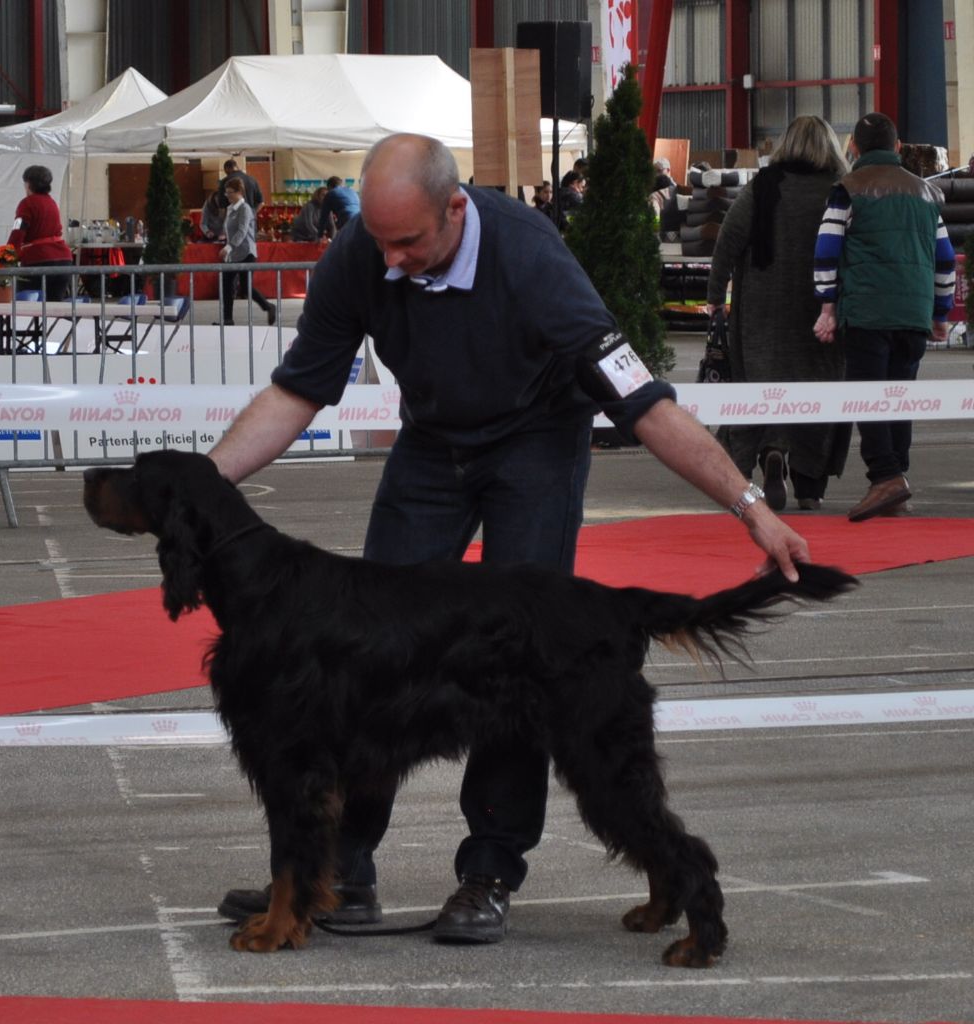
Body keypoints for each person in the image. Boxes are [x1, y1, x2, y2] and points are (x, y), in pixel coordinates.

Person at [211, 132, 809, 945]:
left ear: (455, 208)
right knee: (365, 657)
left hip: (535, 443)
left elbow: (645, 405)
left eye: (409, 242)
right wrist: (206, 493)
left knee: (522, 658)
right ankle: (339, 872)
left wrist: (750, 506)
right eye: (379, 242)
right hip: (430, 444)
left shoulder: (534, 263)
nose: (390, 262)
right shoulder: (361, 253)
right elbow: (298, 390)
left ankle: (489, 872)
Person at [813, 112, 956, 521]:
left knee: (868, 398)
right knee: (899, 400)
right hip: (912, 315)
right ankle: (898, 485)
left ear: (854, 148)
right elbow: (945, 261)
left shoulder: (848, 188)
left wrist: (826, 304)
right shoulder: (927, 194)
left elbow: (827, 247)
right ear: (897, 148)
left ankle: (885, 478)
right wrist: (940, 312)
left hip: (868, 313)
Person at [705, 115, 851, 511]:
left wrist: (715, 296)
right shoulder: (840, 190)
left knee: (760, 385)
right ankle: (809, 485)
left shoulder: (764, 187)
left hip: (761, 312)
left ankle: (771, 447)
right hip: (822, 311)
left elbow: (728, 242)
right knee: (819, 390)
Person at [215, 177, 276, 327]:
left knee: (245, 288)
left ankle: (268, 306)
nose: (227, 196)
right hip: (233, 255)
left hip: (246, 253)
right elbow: (232, 230)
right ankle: (227, 319)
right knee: (226, 285)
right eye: (226, 193)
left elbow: (242, 231)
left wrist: (228, 247)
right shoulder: (230, 209)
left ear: (239, 192)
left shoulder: (245, 209)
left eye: (230, 193)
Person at [7, 164, 73, 300]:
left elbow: (18, 229)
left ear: (28, 183)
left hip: (39, 259)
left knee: (24, 301)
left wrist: (7, 254)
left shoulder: (26, 204)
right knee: (54, 304)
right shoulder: (52, 203)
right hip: (63, 260)